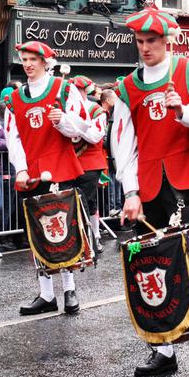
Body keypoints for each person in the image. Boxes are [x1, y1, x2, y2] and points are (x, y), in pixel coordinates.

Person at [112, 4, 189, 377]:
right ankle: (162, 349)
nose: (145, 48)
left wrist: (184, 110)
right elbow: (123, 145)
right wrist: (130, 192)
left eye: (152, 41)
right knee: (151, 261)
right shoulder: (128, 87)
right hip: (147, 184)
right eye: (140, 41)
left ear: (167, 40)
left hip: (182, 178)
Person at [6, 41, 91, 316]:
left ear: (45, 62)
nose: (28, 64)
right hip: (31, 171)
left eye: (33, 59)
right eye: (25, 59)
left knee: (63, 230)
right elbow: (13, 137)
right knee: (37, 233)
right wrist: (20, 168)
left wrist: (63, 120)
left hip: (59, 167)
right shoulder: (14, 99)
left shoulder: (64, 90)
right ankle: (46, 294)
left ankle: (69, 289)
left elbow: (86, 129)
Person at [70, 75, 109, 254]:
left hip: (89, 161)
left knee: (89, 201)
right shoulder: (66, 109)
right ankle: (75, 240)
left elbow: (95, 136)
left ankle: (95, 236)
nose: (75, 93)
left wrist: (75, 125)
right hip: (68, 162)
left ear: (85, 91)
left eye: (78, 90)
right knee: (69, 203)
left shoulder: (96, 110)